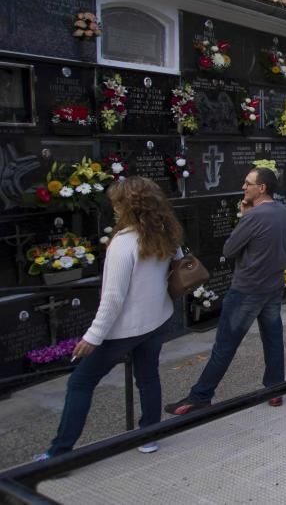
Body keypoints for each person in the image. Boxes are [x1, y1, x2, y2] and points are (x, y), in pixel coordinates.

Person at [36, 176, 183, 459]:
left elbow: (113, 299)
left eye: (117, 203)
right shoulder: (165, 230)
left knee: (80, 382)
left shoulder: (123, 243)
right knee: (148, 377)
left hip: (125, 328)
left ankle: (59, 453)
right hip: (157, 318)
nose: (114, 208)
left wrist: (93, 336)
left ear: (127, 206)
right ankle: (149, 436)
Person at [165, 167, 286, 415]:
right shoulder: (281, 210)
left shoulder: (254, 216)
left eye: (248, 183)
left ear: (262, 188)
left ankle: (200, 396)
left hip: (247, 290)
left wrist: (244, 217)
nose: (244, 187)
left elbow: (229, 249)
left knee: (225, 346)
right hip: (272, 287)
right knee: (273, 340)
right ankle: (275, 389)